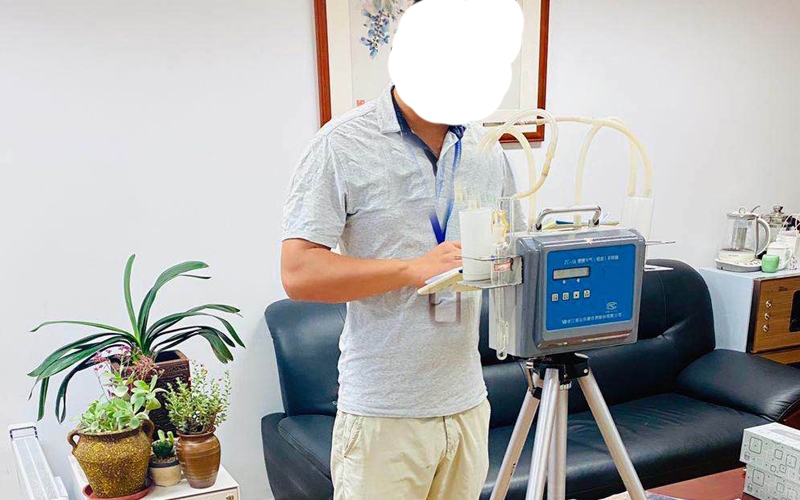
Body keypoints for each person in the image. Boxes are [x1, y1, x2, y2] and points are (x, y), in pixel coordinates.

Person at [280, 84, 521, 499]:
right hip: (384, 415)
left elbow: (513, 246)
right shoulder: (342, 144)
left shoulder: (485, 148)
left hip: (466, 405)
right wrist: (410, 270)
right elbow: (298, 272)